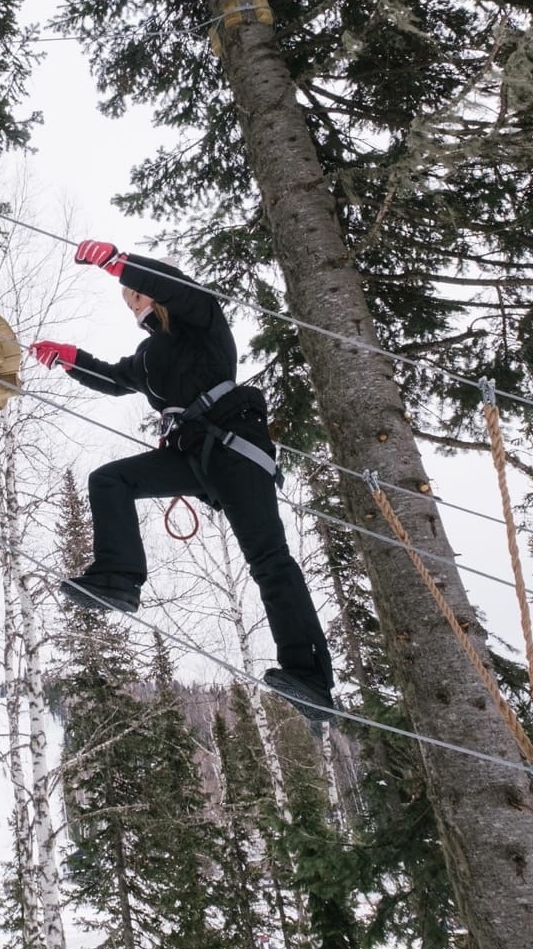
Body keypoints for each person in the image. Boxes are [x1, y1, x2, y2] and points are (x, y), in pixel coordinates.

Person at [32, 239, 336, 725]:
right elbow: (113, 378)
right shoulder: (151, 357)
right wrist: (69, 359)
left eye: (137, 289)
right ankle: (118, 578)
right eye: (126, 294)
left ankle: (312, 679)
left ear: (158, 285)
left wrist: (119, 264)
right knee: (111, 480)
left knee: (269, 561)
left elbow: (181, 291)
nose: (131, 297)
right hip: (192, 456)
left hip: (236, 448)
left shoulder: (203, 322)